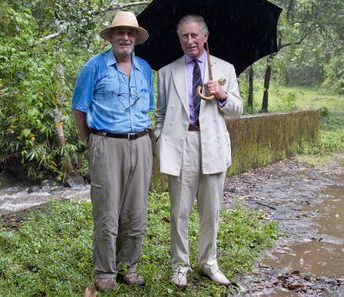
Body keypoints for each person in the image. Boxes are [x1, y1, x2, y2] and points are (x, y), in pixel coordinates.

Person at [155, 14, 243, 288]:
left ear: (205, 37)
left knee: (210, 211)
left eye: (195, 35)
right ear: (179, 39)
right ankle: (179, 266)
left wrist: (222, 95)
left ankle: (209, 263)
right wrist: (160, 141)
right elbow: (159, 114)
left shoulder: (224, 69)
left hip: (213, 145)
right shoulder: (167, 72)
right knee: (180, 211)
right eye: (185, 36)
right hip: (181, 146)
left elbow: (238, 111)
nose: (190, 40)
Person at [71, 11, 154, 292]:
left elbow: (148, 108)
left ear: (136, 38)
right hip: (106, 143)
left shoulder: (144, 68)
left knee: (136, 211)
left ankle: (129, 266)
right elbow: (79, 109)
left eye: (131, 33)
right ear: (111, 37)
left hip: (141, 143)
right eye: (120, 32)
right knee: (107, 212)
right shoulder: (93, 67)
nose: (126, 37)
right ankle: (105, 271)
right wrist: (93, 142)